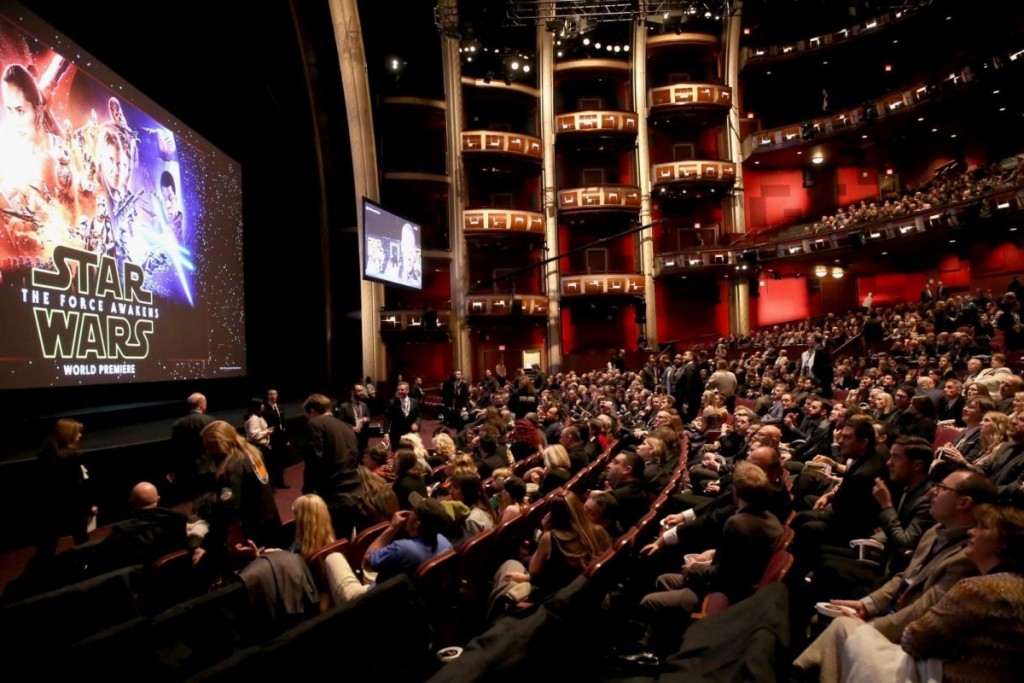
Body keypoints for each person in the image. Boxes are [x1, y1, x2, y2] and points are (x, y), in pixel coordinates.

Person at [793, 469, 997, 680]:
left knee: (835, 624)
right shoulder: (935, 531)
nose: (932, 492)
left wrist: (867, 627)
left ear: (963, 503)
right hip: (893, 611)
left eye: (943, 488)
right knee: (826, 615)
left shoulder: (968, 557)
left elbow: (922, 612)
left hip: (913, 640)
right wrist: (866, 605)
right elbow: (905, 576)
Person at [826, 504, 1024, 683]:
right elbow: (907, 577)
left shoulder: (979, 588)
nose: (972, 532)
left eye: (982, 527)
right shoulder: (1014, 585)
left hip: (944, 675)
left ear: (1003, 543)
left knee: (844, 627)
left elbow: (914, 640)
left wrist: (869, 624)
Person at [636, 461, 783, 659]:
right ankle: (664, 640)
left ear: (736, 494)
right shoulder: (771, 519)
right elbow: (743, 555)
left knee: (649, 601)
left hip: (726, 593)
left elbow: (723, 576)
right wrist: (712, 554)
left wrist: (694, 567)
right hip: (741, 585)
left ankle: (651, 653)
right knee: (664, 580)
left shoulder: (737, 523)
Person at [488, 490, 611, 618]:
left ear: (553, 514)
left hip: (550, 598)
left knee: (509, 566)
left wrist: (546, 530)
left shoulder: (551, 538)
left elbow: (534, 570)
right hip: (580, 597)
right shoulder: (599, 531)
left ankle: (494, 618)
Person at [324, 492, 452, 606]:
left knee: (333, 557)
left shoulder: (403, 548)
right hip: (413, 600)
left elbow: (367, 561)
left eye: (413, 510)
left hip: (373, 601)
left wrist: (392, 528)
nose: (409, 510)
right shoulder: (445, 543)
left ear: (416, 523)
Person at [199, 420, 282, 557]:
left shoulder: (232, 466)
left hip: (251, 534)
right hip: (270, 522)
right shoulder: (253, 454)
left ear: (221, 443)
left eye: (209, 447)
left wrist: (208, 541)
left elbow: (229, 506)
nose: (207, 452)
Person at [301, 393, 361, 539]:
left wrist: (307, 492)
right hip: (356, 494)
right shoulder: (346, 427)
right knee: (347, 541)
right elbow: (355, 458)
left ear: (313, 412)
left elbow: (314, 460)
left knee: (330, 544)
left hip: (333, 498)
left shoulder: (315, 424)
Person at [33, 418, 95, 559]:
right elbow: (78, 487)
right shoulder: (72, 459)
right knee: (82, 539)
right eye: (78, 432)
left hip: (49, 508)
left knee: (47, 545)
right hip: (72, 507)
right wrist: (88, 506)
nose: (80, 436)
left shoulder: (44, 457)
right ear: (69, 434)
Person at [95, 481, 188, 572]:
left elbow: (101, 561)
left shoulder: (123, 532)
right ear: (158, 499)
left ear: (131, 503)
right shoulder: (180, 520)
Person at [169, 392, 215, 501]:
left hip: (187, 469)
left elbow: (175, 449)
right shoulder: (210, 421)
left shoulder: (178, 424)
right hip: (208, 467)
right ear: (202, 404)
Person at [263, 388, 289, 486]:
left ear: (277, 395)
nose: (273, 396)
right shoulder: (265, 409)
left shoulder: (280, 407)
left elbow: (284, 423)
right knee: (272, 462)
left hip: (281, 439)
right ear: (267, 396)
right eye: (270, 394)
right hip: (272, 439)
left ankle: (280, 481)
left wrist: (286, 439)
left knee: (281, 461)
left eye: (275, 394)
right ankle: (272, 484)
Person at [337, 383, 372, 456]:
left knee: (363, 455)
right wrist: (352, 428)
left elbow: (369, 417)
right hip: (351, 435)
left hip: (363, 435)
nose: (361, 393)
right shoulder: (344, 406)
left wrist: (366, 418)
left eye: (362, 391)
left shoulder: (364, 405)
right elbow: (340, 422)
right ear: (353, 392)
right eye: (359, 391)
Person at [384, 382, 420, 452]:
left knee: (411, 452)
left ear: (407, 390)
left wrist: (417, 423)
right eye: (398, 390)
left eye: (402, 390)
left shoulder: (414, 402)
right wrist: (386, 433)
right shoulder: (392, 402)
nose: (400, 392)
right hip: (396, 434)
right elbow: (387, 418)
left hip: (410, 433)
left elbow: (418, 415)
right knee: (397, 453)